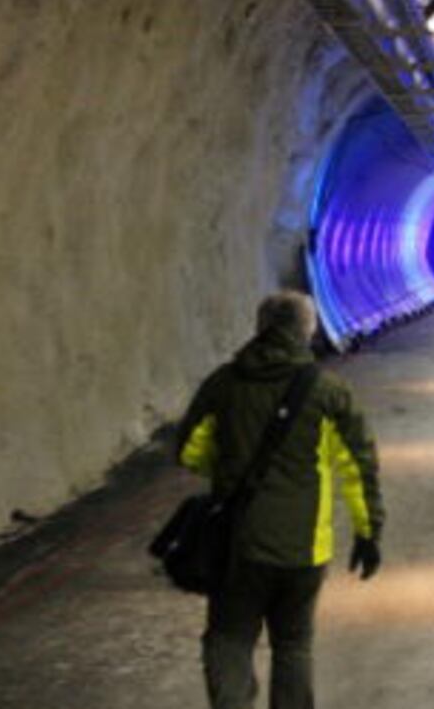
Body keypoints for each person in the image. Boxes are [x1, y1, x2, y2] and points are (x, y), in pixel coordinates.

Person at [176, 290, 385, 709]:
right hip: (304, 548)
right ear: (308, 330)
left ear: (259, 328)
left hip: (238, 544)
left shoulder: (223, 384)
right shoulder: (329, 391)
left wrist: (228, 464)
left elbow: (190, 450)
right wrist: (368, 532)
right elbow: (357, 466)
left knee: (229, 637)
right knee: (293, 645)